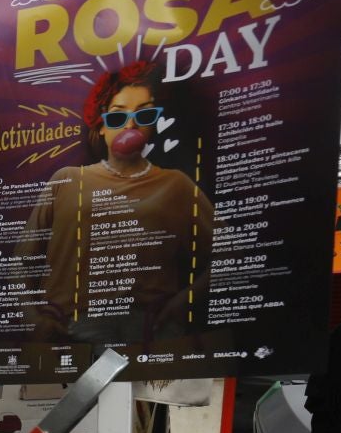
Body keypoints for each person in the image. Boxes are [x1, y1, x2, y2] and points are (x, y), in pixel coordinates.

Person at [19, 60, 216, 347]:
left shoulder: (177, 184)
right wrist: (33, 318)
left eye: (144, 115)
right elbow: (20, 262)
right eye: (117, 116)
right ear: (100, 126)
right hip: (74, 330)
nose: (130, 125)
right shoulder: (67, 180)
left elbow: (230, 252)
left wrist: (183, 302)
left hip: (151, 330)